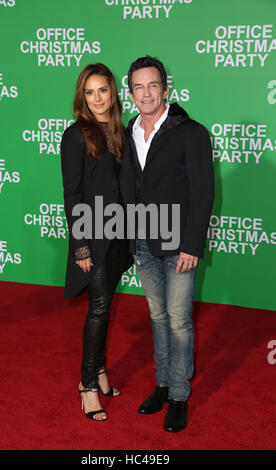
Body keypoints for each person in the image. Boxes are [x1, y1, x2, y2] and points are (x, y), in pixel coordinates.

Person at [120, 56, 215, 432]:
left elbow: (204, 193)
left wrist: (192, 244)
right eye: (138, 87)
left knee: (178, 321)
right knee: (157, 317)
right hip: (143, 241)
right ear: (131, 93)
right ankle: (161, 383)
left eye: (152, 85)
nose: (146, 93)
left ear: (165, 89)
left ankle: (179, 393)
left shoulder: (191, 132)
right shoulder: (130, 130)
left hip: (179, 245)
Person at [60, 63, 133, 422]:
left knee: (107, 305)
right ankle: (87, 384)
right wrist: (81, 246)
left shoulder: (122, 130)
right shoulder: (76, 134)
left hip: (121, 236)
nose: (97, 99)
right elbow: (72, 195)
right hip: (94, 236)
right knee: (99, 308)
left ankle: (101, 371)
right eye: (89, 92)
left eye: (102, 90)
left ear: (113, 92)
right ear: (82, 97)